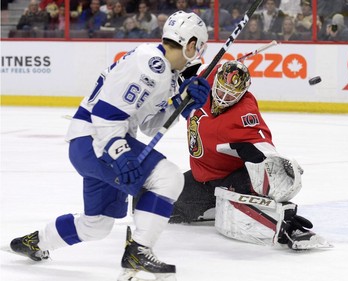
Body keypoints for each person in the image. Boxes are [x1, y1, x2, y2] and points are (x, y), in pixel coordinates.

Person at [9, 10, 210, 281]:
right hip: (96, 141)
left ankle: (36, 242)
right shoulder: (151, 63)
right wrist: (120, 153)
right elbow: (105, 114)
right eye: (199, 46)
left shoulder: (165, 72)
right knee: (168, 177)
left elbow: (150, 125)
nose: (198, 53)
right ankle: (140, 249)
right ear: (190, 44)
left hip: (91, 143)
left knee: (97, 225)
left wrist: (181, 103)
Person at [169, 60, 331, 251]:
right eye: (221, 91)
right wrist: (188, 73)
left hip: (231, 178)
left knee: (252, 183)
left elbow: (265, 149)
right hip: (202, 177)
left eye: (231, 95)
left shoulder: (245, 113)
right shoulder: (205, 87)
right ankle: (215, 206)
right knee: (166, 207)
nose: (224, 98)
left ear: (242, 94)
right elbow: (204, 70)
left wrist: (262, 158)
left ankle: (289, 225)